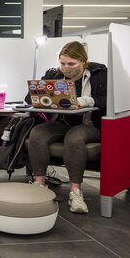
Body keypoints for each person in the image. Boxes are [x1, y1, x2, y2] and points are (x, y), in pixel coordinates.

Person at [25, 41, 107, 213]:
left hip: (88, 123)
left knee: (74, 137)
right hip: (62, 122)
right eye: (62, 63)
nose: (66, 68)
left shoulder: (99, 74)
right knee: (38, 133)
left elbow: (106, 100)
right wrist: (43, 98)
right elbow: (29, 98)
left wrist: (85, 101)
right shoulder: (53, 74)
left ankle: (75, 192)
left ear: (83, 62)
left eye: (71, 64)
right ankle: (39, 184)